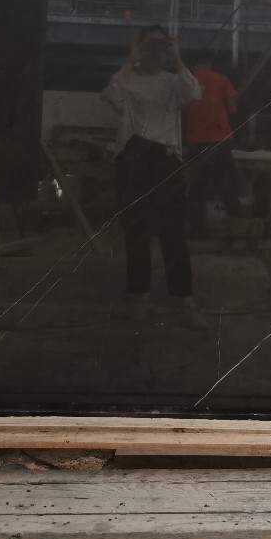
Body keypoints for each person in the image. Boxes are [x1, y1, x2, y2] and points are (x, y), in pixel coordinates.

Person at [102, 26, 205, 328]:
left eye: (162, 45)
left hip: (165, 159)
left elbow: (194, 93)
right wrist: (131, 60)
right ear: (140, 46)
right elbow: (110, 95)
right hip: (133, 157)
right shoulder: (128, 79)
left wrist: (178, 58)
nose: (156, 50)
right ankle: (139, 298)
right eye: (151, 44)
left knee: (173, 233)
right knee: (137, 231)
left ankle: (184, 301)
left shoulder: (172, 82)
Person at [185, 54, 243, 234]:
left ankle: (195, 227)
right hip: (219, 139)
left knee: (196, 187)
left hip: (196, 140)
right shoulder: (221, 80)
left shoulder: (187, 82)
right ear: (209, 63)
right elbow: (232, 109)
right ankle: (239, 225)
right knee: (227, 184)